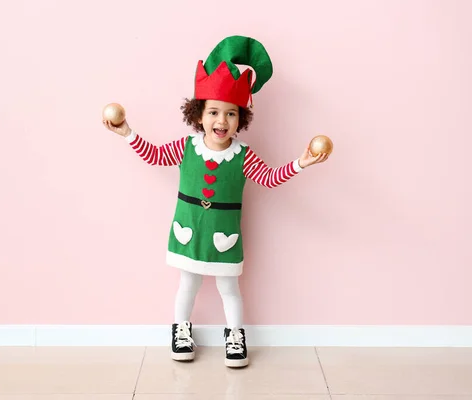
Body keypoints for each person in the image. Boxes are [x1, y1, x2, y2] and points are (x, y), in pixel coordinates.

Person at [102, 36, 329, 368]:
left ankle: (235, 335)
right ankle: (181, 330)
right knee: (188, 285)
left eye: (230, 114)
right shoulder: (185, 147)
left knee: (229, 288)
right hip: (189, 232)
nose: (221, 121)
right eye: (213, 112)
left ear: (240, 119)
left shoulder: (243, 156)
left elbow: (269, 177)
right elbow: (154, 156)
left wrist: (301, 162)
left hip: (226, 237)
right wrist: (127, 132)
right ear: (199, 114)